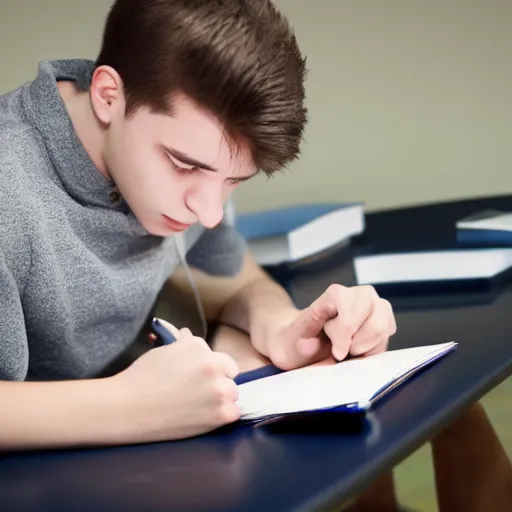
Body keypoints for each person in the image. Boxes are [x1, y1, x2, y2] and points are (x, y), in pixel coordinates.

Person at [0, 1, 509, 510]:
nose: (210, 212)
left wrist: (282, 325)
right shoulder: (10, 188)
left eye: (234, 181)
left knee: (422, 418)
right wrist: (128, 405)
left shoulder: (199, 151)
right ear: (109, 96)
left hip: (132, 429)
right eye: (183, 166)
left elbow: (234, 279)